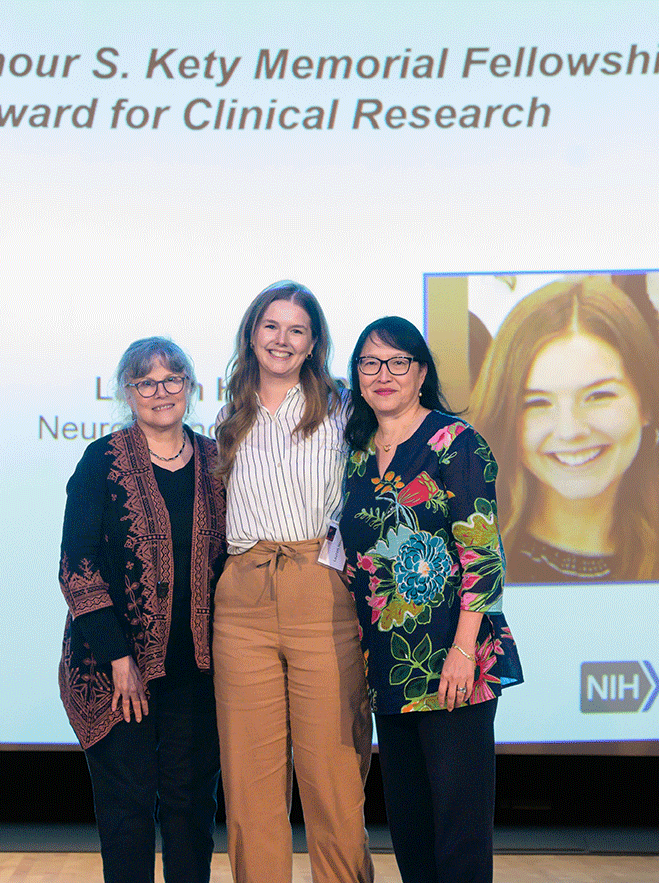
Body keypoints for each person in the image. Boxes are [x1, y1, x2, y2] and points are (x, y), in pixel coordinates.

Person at [339, 315, 523, 883]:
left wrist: (464, 649)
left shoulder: (455, 442)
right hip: (390, 663)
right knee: (412, 833)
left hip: (453, 659)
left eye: (398, 362)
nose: (384, 374)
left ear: (421, 372)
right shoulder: (355, 453)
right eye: (370, 363)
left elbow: (482, 554)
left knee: (459, 835)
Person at [213, 280, 373, 883]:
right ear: (252, 335)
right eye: (271, 326)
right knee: (250, 780)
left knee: (332, 773)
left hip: (320, 587)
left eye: (296, 330)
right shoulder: (228, 413)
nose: (282, 339)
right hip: (242, 596)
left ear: (313, 344)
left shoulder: (344, 409)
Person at [57, 337, 226, 883]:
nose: (161, 392)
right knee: (127, 816)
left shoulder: (216, 461)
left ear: (190, 388)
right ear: (127, 393)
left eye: (172, 380)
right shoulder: (101, 461)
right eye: (146, 382)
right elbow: (76, 564)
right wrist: (118, 657)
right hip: (115, 674)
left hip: (198, 676)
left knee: (191, 813)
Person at [468, 276, 659, 582]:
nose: (570, 430)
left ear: (646, 405)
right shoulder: (463, 553)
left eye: (599, 396)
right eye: (537, 403)